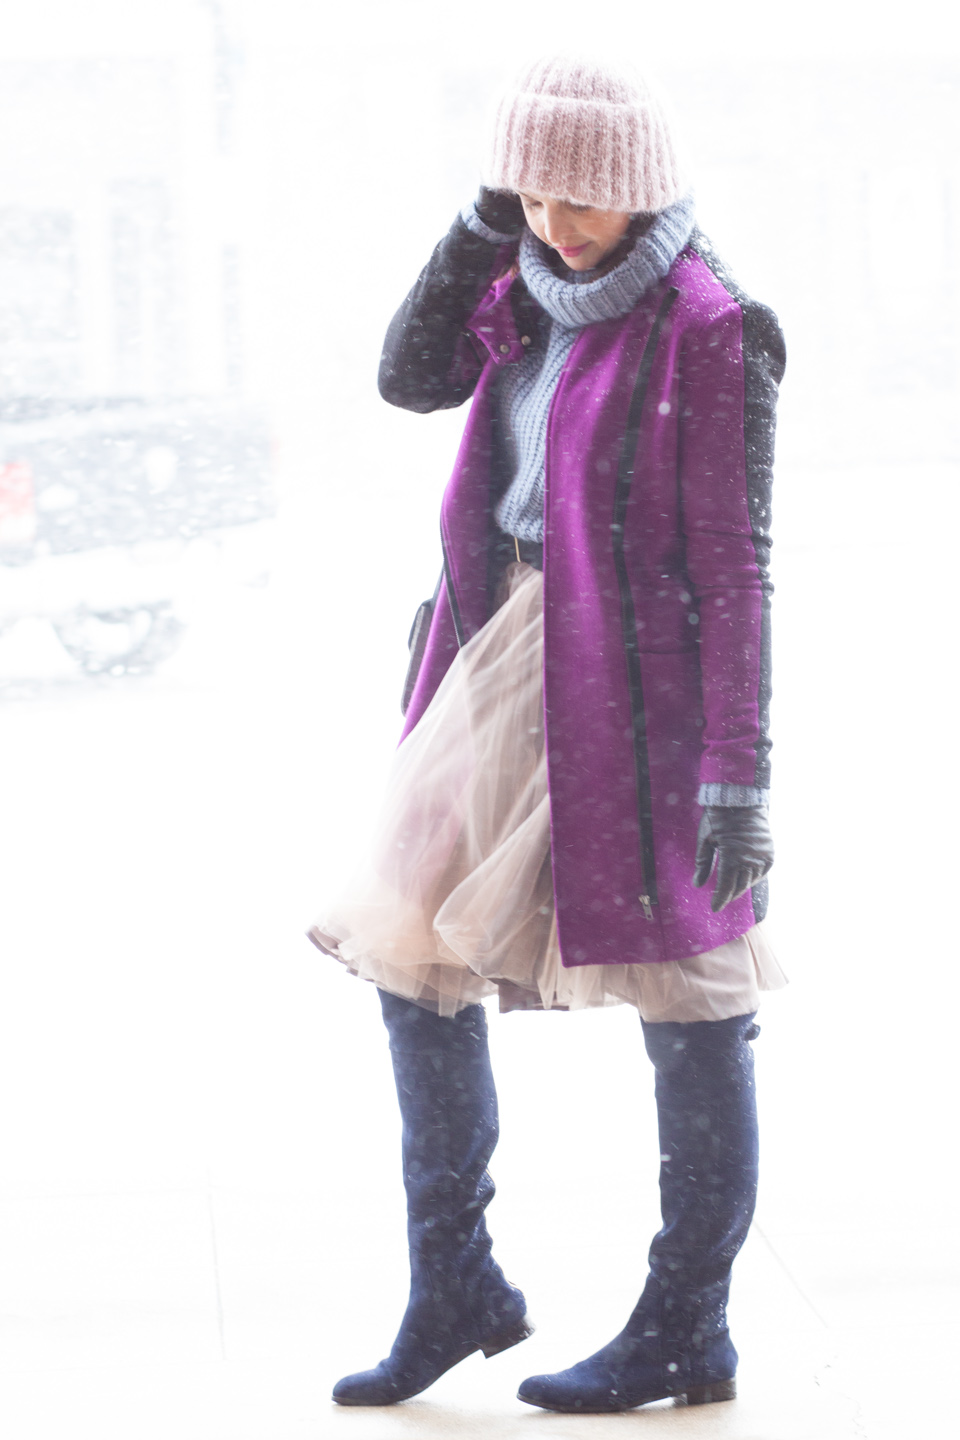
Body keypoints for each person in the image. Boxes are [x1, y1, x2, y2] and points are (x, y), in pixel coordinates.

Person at [309, 53, 787, 1415]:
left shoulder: (715, 326)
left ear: (639, 185)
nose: (555, 221)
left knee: (696, 1004)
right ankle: (454, 1284)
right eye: (531, 191)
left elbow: (737, 563)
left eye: (581, 195)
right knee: (410, 963)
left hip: (633, 690)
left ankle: (688, 1324)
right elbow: (408, 378)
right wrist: (481, 225)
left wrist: (739, 769)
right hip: (489, 658)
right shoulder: (519, 283)